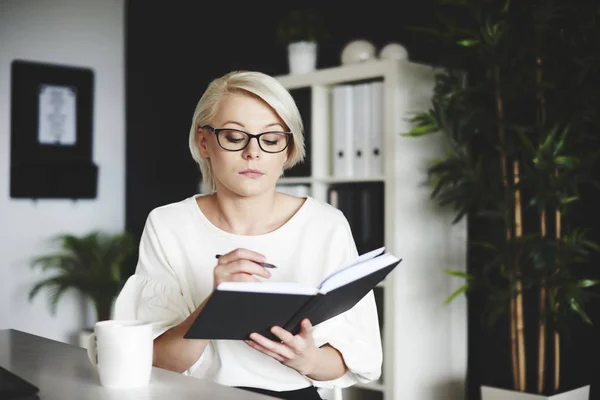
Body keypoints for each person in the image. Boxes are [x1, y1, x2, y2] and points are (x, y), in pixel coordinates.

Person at [113, 70, 383, 400]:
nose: (253, 153)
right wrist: (216, 305)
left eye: (270, 139)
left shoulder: (327, 225)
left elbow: (352, 361)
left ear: (287, 149)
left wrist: (308, 359)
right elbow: (156, 361)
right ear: (204, 142)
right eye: (234, 136)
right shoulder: (168, 224)